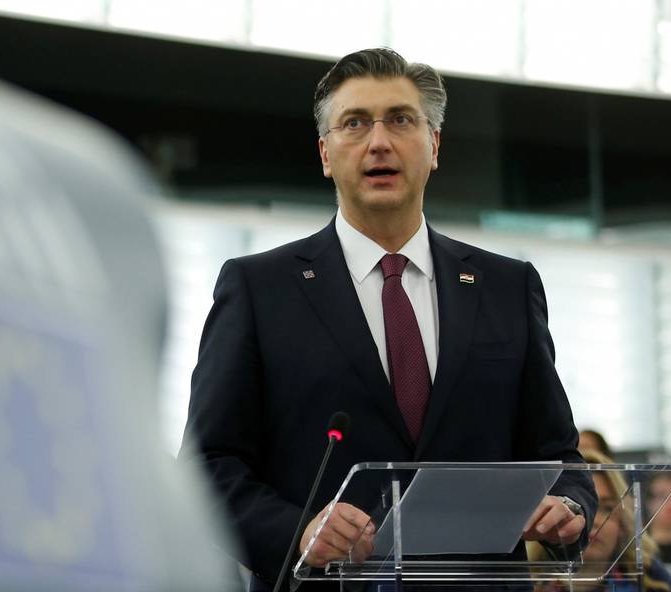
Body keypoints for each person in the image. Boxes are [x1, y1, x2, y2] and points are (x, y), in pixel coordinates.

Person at [180, 48, 596, 590]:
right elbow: (209, 466)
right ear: (326, 154)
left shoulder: (507, 287)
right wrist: (300, 532)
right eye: (354, 123)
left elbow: (557, 455)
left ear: (435, 145)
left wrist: (569, 505)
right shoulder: (259, 288)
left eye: (401, 120)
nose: (379, 142)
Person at [530, 449, 671, 592]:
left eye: (607, 508)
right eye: (577, 508)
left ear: (623, 523)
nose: (594, 520)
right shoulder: (525, 582)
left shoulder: (653, 582)